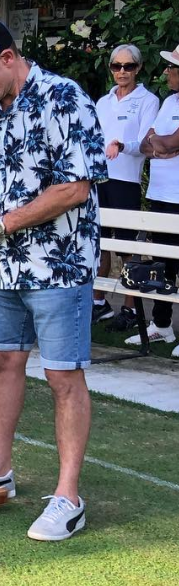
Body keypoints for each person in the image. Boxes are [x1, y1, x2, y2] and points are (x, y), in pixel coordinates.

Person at [0, 19, 107, 541]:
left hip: (60, 263)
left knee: (62, 375)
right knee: (3, 359)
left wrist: (3, 225)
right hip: (3, 264)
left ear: (7, 58)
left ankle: (68, 498)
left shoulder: (65, 99)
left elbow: (75, 189)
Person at [93, 44, 159, 331]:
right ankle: (98, 302)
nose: (122, 72)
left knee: (127, 246)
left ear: (138, 68)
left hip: (126, 181)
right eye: (116, 66)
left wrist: (122, 145)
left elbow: (147, 143)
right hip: (100, 180)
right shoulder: (102, 101)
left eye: (128, 66)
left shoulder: (148, 100)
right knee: (99, 242)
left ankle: (132, 308)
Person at [126, 43, 179, 354]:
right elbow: (149, 144)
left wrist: (164, 144)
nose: (168, 72)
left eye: (173, 67)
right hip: (159, 195)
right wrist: (163, 145)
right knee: (162, 265)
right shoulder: (169, 101)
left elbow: (171, 142)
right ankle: (162, 326)